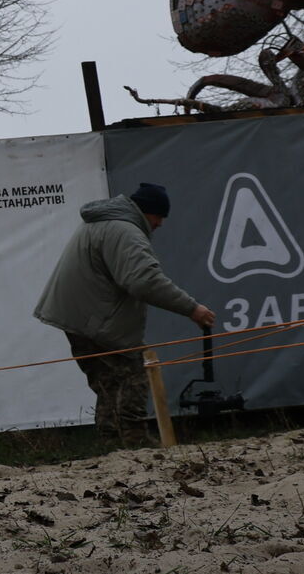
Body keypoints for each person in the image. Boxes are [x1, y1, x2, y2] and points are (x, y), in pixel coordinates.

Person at [33, 182, 217, 445]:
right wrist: (192, 308)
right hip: (95, 321)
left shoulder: (105, 224)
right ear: (147, 212)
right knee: (134, 374)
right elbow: (144, 281)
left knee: (108, 385)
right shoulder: (125, 230)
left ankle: (111, 445)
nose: (161, 224)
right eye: (160, 216)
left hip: (77, 320)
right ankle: (135, 439)